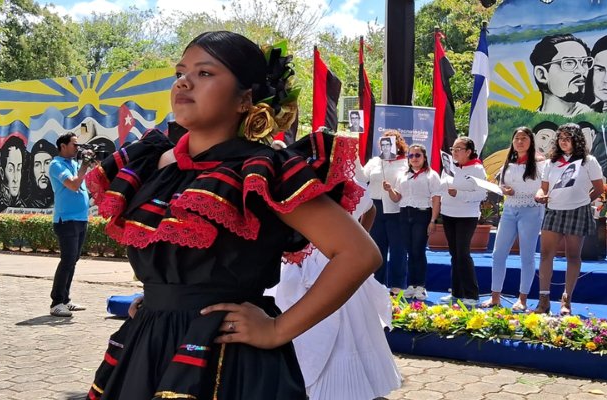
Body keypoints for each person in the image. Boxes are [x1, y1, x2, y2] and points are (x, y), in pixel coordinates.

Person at [83, 31, 380, 399]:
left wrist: (277, 329)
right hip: (148, 344)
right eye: (180, 71)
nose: (184, 82)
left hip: (226, 359)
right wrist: (162, 299)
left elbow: (358, 253)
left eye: (205, 73)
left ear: (245, 99)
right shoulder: (151, 162)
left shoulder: (261, 170)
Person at [274, 180, 402, 399]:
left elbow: (370, 209)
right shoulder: (293, 187)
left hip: (340, 264)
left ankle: (343, 388)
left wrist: (358, 238)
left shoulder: (346, 185)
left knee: (348, 330)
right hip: (302, 266)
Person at [534, 123, 605, 315]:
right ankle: (543, 299)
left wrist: (584, 202)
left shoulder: (588, 161)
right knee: (545, 254)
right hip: (554, 210)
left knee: (573, 256)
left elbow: (599, 188)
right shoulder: (551, 163)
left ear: (577, 139)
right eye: (561, 138)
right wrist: (539, 195)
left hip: (578, 211)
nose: (563, 142)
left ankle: (566, 300)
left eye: (568, 138)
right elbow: (544, 188)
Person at [481, 128, 545, 311]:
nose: (519, 142)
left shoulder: (540, 163)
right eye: (516, 138)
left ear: (531, 141)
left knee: (527, 255)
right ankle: (495, 297)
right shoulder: (509, 162)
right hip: (510, 209)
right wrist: (504, 189)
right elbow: (502, 183)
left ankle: (522, 299)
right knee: (498, 253)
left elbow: (543, 186)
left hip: (531, 210)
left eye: (524, 138)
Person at [383, 144, 442, 300]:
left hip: (422, 214)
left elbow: (436, 199)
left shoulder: (431, 175)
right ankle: (411, 285)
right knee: (409, 251)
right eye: (411, 156)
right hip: (404, 214)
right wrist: (389, 190)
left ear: (424, 157)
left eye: (417, 155)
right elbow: (397, 198)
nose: (414, 158)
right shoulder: (403, 175)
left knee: (418, 250)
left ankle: (420, 286)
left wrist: (433, 220)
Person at [48, 132, 94, 318]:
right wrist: (84, 165)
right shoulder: (56, 165)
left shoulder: (74, 164)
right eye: (74, 144)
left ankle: (66, 300)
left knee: (73, 261)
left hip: (81, 219)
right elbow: (73, 185)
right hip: (66, 220)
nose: (77, 148)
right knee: (67, 260)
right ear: (63, 146)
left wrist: (90, 162)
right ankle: (56, 302)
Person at [358, 130, 409, 295]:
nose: (384, 146)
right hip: (375, 208)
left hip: (396, 208)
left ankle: (397, 286)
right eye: (382, 143)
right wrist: (354, 156)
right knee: (376, 248)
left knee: (397, 249)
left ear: (397, 143)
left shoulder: (405, 163)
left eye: (388, 142)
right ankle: (376, 284)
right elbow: (361, 176)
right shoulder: (375, 161)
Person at [439, 137, 488, 306]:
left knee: (463, 253)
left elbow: (482, 194)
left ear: (469, 151)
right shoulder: (449, 166)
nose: (454, 152)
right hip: (448, 213)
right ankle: (457, 293)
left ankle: (472, 295)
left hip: (466, 215)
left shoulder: (477, 169)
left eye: (459, 149)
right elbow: (441, 186)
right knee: (454, 254)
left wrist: (459, 194)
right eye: (453, 148)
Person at [530, 34, 593, 117]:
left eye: (584, 62)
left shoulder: (591, 116)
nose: (581, 70)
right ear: (542, 74)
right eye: (569, 62)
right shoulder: (531, 122)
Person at [0, 135, 27, 211]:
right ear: (2, 173)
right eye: (11, 169)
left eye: (19, 169)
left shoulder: (23, 205)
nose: (15, 179)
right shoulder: (1, 204)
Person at [25, 139, 58, 208]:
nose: (42, 170)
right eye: (37, 164)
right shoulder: (26, 204)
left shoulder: (63, 201)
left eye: (47, 163)